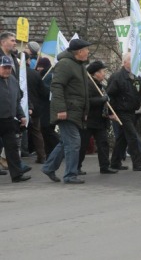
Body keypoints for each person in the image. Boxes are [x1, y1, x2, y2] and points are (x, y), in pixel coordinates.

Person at [41, 39, 91, 184]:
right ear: (80, 51)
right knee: (74, 143)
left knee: (66, 142)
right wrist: (61, 109)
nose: (88, 52)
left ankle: (49, 167)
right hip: (67, 111)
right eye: (86, 49)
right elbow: (56, 87)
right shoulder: (65, 64)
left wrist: (85, 111)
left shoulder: (80, 65)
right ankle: (70, 175)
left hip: (76, 111)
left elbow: (83, 91)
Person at [107, 52, 141, 171]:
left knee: (122, 138)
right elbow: (110, 95)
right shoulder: (117, 77)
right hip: (121, 111)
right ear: (124, 62)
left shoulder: (137, 76)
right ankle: (137, 163)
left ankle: (114, 162)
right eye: (131, 60)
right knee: (132, 136)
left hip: (132, 111)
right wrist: (111, 112)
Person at [78, 61, 118, 175]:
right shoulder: (88, 84)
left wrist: (110, 113)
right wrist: (101, 100)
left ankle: (105, 166)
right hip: (89, 119)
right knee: (83, 144)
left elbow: (106, 102)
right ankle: (76, 166)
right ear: (96, 73)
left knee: (103, 143)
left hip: (100, 120)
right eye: (102, 71)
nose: (104, 73)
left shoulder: (101, 85)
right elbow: (87, 101)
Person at [0, 56, 31, 182]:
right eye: (4, 67)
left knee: (12, 148)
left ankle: (17, 175)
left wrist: (21, 115)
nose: (7, 70)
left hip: (8, 120)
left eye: (9, 67)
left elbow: (17, 101)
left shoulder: (13, 80)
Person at [23, 46, 48, 164]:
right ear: (28, 61)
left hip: (20, 106)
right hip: (35, 107)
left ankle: (15, 156)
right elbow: (43, 91)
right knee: (36, 132)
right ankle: (41, 156)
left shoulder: (14, 73)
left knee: (16, 133)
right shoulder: (35, 74)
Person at [35, 57, 59, 155]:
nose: (38, 69)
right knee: (46, 130)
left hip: (47, 107)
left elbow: (48, 91)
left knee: (47, 129)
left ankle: (59, 148)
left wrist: (40, 85)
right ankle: (50, 153)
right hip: (46, 107)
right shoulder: (44, 75)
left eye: (40, 67)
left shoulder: (49, 76)